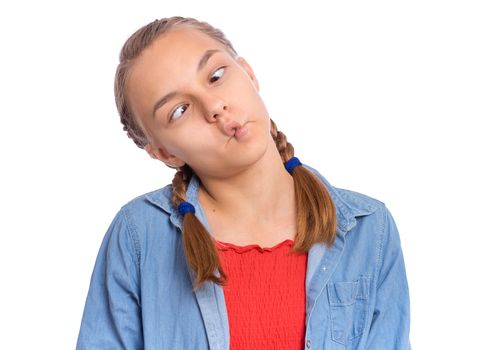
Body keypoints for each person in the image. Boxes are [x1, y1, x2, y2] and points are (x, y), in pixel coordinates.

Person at [76, 16, 411, 350]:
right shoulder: (138, 236)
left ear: (248, 73)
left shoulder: (369, 230)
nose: (214, 108)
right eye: (179, 110)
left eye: (216, 76)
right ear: (164, 153)